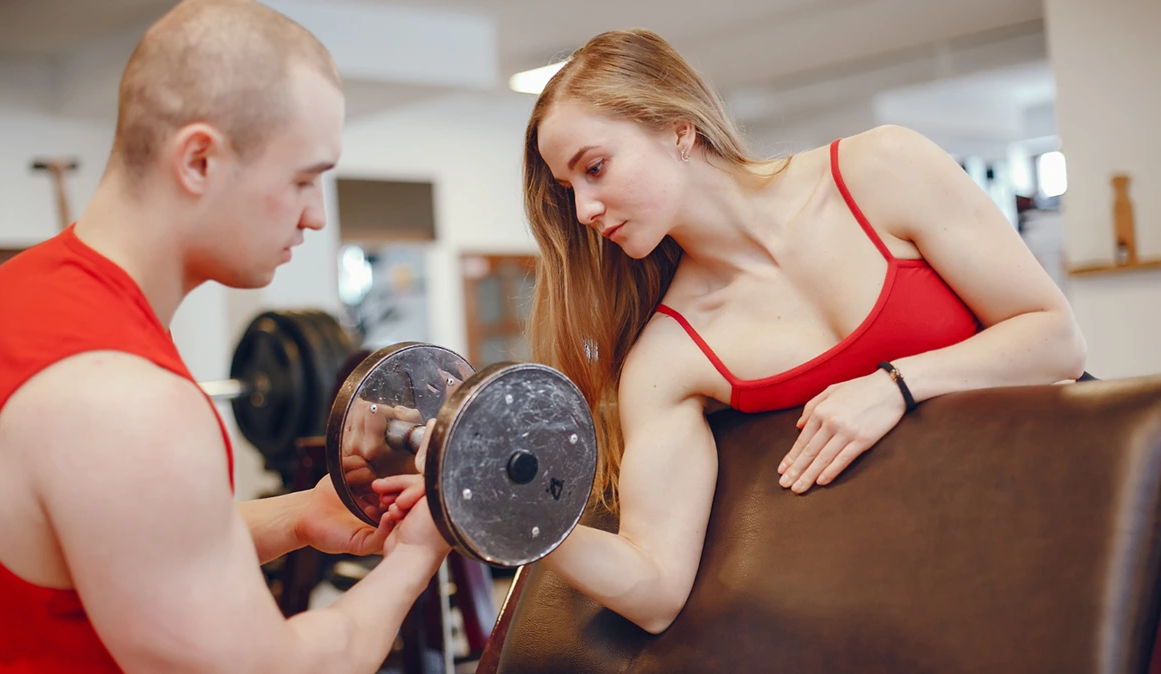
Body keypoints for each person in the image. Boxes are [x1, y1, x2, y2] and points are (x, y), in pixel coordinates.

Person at [396, 29, 1087, 635]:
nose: (582, 208)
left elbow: (1056, 338)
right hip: (932, 574)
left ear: (677, 128)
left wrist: (896, 388)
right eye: (567, 187)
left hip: (1069, 506)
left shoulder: (882, 170)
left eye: (595, 168)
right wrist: (503, 511)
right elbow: (655, 587)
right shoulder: (669, 359)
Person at [0, 1, 449, 672]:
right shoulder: (128, 404)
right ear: (198, 161)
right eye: (303, 178)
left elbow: (120, 542)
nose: (313, 216)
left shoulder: (19, 291)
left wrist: (302, 515)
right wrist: (417, 555)